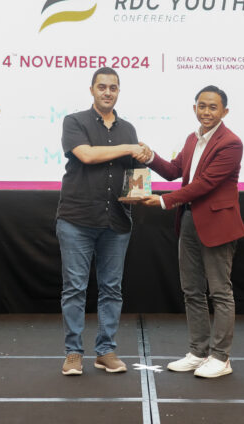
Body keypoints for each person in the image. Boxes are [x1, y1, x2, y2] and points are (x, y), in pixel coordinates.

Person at [141, 85, 244, 378]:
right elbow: (174, 171)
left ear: (224, 111)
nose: (206, 111)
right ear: (194, 108)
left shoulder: (231, 143)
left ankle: (221, 357)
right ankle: (198, 352)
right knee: (191, 290)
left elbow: (205, 184)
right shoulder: (192, 139)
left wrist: (164, 200)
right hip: (189, 220)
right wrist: (150, 157)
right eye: (202, 106)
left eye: (213, 107)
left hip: (218, 224)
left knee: (220, 292)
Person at [56, 66, 149, 376]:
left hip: (117, 222)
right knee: (75, 289)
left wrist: (140, 186)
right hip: (77, 220)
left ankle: (105, 351)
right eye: (102, 87)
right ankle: (73, 353)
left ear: (118, 91)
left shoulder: (129, 129)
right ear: (92, 90)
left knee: (112, 289)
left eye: (113, 87)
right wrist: (131, 148)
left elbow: (135, 174)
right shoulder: (74, 121)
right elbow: (86, 155)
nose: (107, 92)